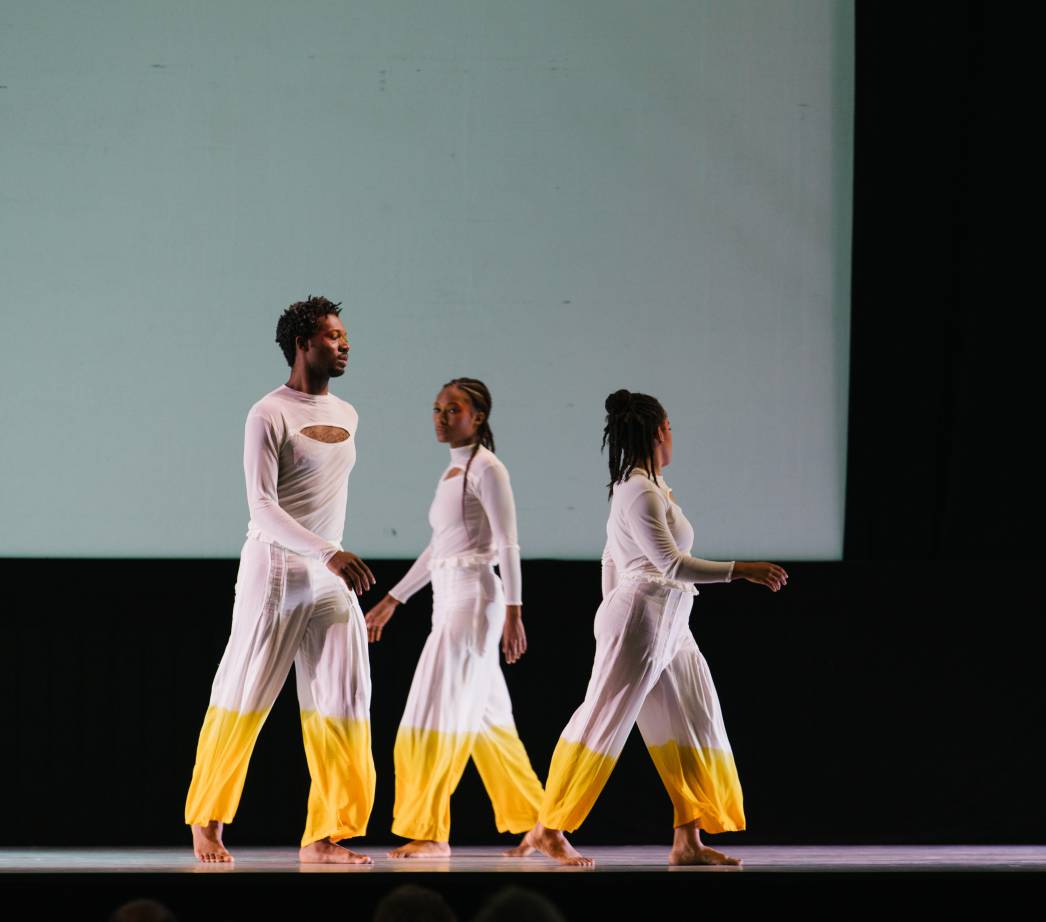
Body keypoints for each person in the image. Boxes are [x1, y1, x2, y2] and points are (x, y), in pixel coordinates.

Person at [526, 389, 789, 867]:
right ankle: (548, 828)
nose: (674, 435)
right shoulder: (639, 491)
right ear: (660, 430)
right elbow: (670, 563)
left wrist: (609, 611)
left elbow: (611, 555)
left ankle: (687, 840)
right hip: (644, 618)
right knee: (603, 718)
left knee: (692, 717)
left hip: (670, 623)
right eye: (671, 427)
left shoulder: (649, 486)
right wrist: (741, 570)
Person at [185, 296, 377, 864]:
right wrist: (329, 552)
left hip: (327, 576)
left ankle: (327, 834)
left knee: (344, 696)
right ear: (303, 344)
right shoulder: (267, 413)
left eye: (345, 336)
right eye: (333, 336)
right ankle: (208, 820)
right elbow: (262, 508)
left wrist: (331, 559)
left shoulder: (348, 414)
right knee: (245, 692)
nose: (344, 345)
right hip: (276, 570)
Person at [364, 378, 546, 859]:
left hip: (474, 602)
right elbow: (438, 550)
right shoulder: (452, 473)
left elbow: (507, 543)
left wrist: (514, 613)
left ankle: (431, 831)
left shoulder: (488, 469)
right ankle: (540, 823)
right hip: (449, 600)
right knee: (490, 723)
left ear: (478, 417)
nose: (442, 417)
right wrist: (393, 599)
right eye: (438, 409)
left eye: (454, 409)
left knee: (431, 715)